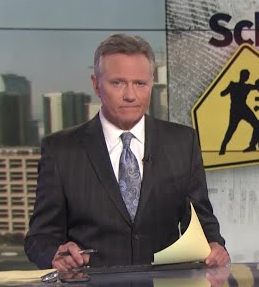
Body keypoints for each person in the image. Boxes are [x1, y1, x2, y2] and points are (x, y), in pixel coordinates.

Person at [24, 33, 229, 271]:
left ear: (152, 83)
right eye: (118, 83)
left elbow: (202, 221)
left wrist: (214, 245)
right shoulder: (61, 151)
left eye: (140, 84)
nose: (130, 95)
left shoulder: (182, 142)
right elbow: (40, 238)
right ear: (96, 84)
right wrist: (55, 254)